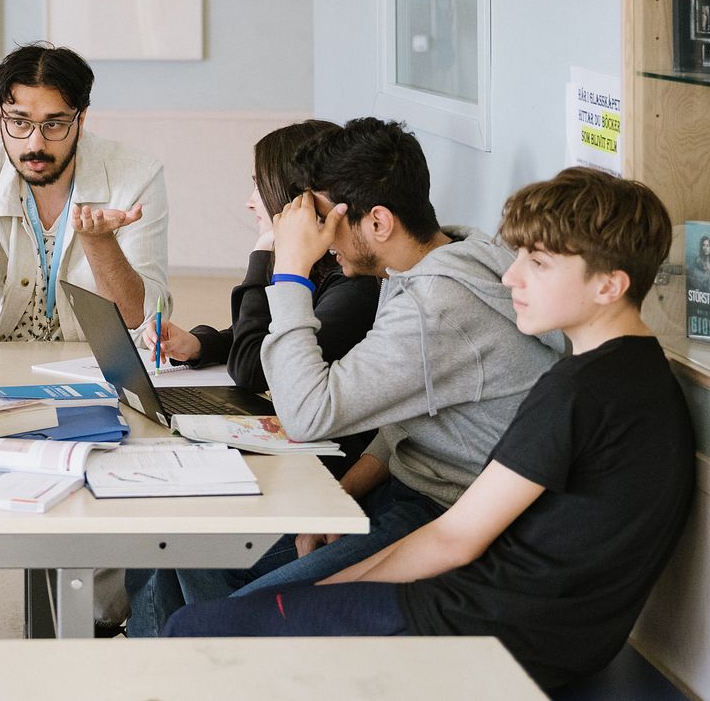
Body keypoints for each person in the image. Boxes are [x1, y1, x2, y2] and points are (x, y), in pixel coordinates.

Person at [166, 166, 697, 694]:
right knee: (226, 609)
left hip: (484, 630)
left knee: (196, 633)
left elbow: (454, 540)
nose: (511, 277)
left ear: (609, 285)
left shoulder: (579, 391)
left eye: (538, 263)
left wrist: (322, 594)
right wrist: (323, 594)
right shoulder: (637, 374)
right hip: (523, 625)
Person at [126, 117, 563, 637]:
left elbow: (306, 415)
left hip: (445, 518)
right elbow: (406, 419)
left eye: (326, 220)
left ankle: (219, 654)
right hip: (406, 492)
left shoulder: (435, 307)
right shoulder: (446, 258)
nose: (322, 239)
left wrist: (290, 270)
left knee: (217, 616)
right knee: (185, 550)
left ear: (378, 222)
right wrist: (341, 495)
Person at [125, 120, 382, 635]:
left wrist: (267, 253)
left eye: (257, 188)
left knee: (182, 535)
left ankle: (176, 642)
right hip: (305, 456)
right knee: (158, 535)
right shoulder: (327, 273)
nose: (249, 202)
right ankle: (155, 641)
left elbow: (251, 367)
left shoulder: (355, 289)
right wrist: (202, 344)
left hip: (327, 471)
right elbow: (267, 337)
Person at [0, 42, 169, 345]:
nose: (35, 144)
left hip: (89, 365)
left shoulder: (137, 177)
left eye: (54, 124)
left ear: (81, 119)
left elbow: (142, 326)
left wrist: (101, 243)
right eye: (19, 122)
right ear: (0, 118)